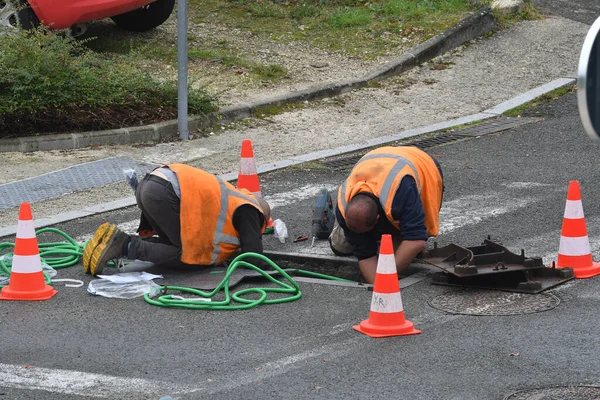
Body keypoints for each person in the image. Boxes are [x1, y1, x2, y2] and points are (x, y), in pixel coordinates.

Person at [83, 164, 271, 276]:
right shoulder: (250, 209)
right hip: (164, 193)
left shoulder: (234, 198)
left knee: (170, 245)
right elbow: (253, 258)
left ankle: (111, 241)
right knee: (187, 255)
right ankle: (124, 245)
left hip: (149, 185)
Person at [329, 146, 444, 284]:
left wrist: (387, 278)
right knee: (340, 246)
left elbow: (416, 240)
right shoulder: (343, 205)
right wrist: (378, 285)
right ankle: (350, 232)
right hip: (379, 167)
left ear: (377, 219)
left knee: (404, 252)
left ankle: (391, 233)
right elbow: (365, 256)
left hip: (421, 164)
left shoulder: (402, 192)